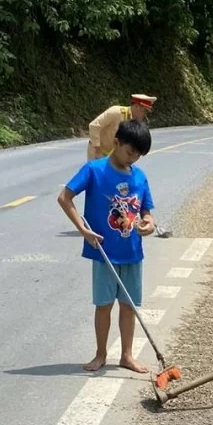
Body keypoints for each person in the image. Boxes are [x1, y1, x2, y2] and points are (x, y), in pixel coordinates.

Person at [58, 118, 156, 373]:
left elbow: (147, 212)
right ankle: (100, 354)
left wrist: (149, 224)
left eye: (138, 155)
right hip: (104, 253)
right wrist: (82, 229)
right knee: (103, 305)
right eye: (129, 151)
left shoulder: (140, 177)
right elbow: (65, 197)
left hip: (132, 253)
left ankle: (126, 355)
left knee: (129, 305)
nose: (133, 158)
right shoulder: (94, 170)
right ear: (116, 142)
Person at [86, 93, 156, 161]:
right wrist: (98, 151)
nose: (145, 115)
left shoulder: (135, 123)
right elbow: (94, 126)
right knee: (95, 172)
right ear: (137, 107)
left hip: (113, 156)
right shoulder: (116, 112)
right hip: (98, 150)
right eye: (144, 111)